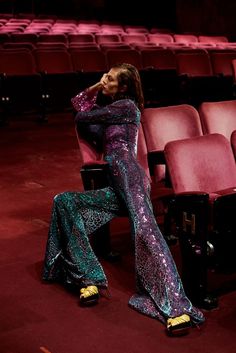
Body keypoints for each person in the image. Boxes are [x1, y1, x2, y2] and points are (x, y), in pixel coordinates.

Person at [42, 63, 205, 335]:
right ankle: (88, 277)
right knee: (64, 201)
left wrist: (93, 97)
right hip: (116, 183)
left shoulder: (127, 107)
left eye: (110, 78)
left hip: (130, 175)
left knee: (146, 229)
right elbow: (78, 107)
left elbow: (82, 116)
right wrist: (96, 87)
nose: (104, 80)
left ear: (125, 87)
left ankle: (176, 307)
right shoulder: (109, 115)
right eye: (104, 76)